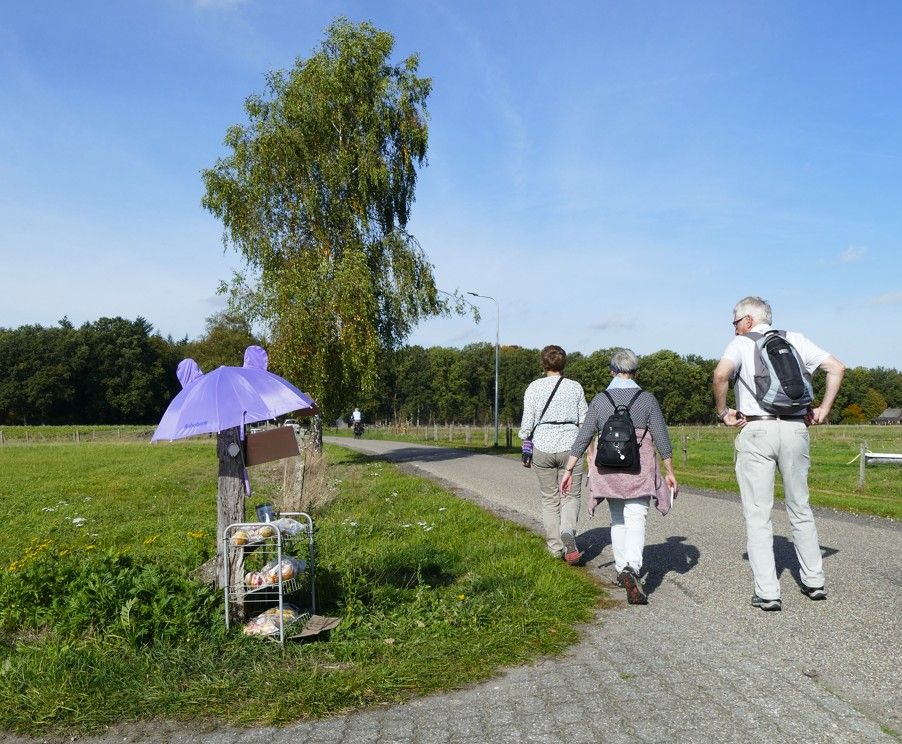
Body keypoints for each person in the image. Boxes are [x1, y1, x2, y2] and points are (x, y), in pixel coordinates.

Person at [712, 296, 845, 612]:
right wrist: (823, 409)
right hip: (796, 428)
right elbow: (836, 368)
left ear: (747, 320)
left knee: (758, 513)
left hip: (757, 429)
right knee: (800, 506)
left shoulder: (742, 344)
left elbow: (720, 376)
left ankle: (768, 592)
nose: (733, 330)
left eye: (734, 323)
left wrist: (723, 412)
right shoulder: (795, 339)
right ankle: (814, 581)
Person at [561, 349, 677, 605]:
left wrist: (569, 470)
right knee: (636, 516)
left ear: (612, 371)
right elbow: (661, 437)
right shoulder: (647, 399)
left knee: (617, 519)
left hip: (608, 468)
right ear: (635, 371)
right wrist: (670, 471)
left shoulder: (600, 400)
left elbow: (583, 438)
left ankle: (621, 568)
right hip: (639, 468)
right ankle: (632, 569)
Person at [518, 345, 588, 564]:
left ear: (543, 364)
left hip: (543, 446)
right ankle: (568, 530)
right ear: (563, 363)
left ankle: (555, 547)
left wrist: (525, 444)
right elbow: (584, 420)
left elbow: (527, 422)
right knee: (571, 495)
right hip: (571, 447)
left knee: (549, 499)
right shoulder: (575, 387)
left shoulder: (534, 387)